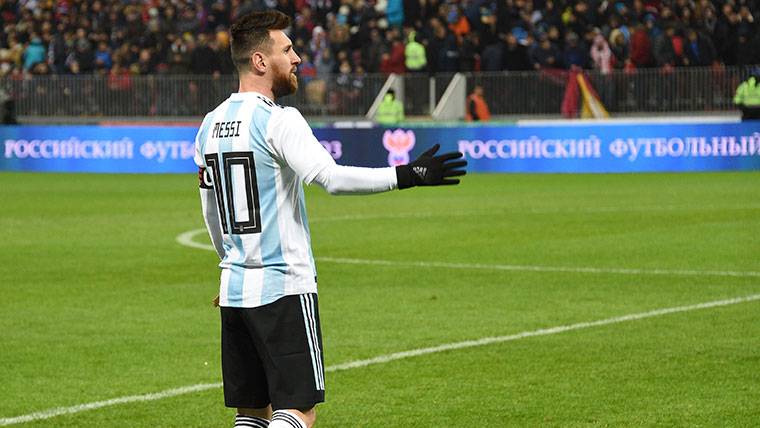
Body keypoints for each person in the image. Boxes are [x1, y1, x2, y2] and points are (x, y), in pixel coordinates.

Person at [193, 11, 466, 428]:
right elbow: (330, 178)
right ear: (260, 61)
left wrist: (229, 265)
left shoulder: (209, 125)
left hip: (235, 289)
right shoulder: (278, 119)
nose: (297, 58)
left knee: (252, 411)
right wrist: (407, 175)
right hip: (283, 285)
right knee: (298, 410)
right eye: (287, 50)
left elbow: (211, 209)